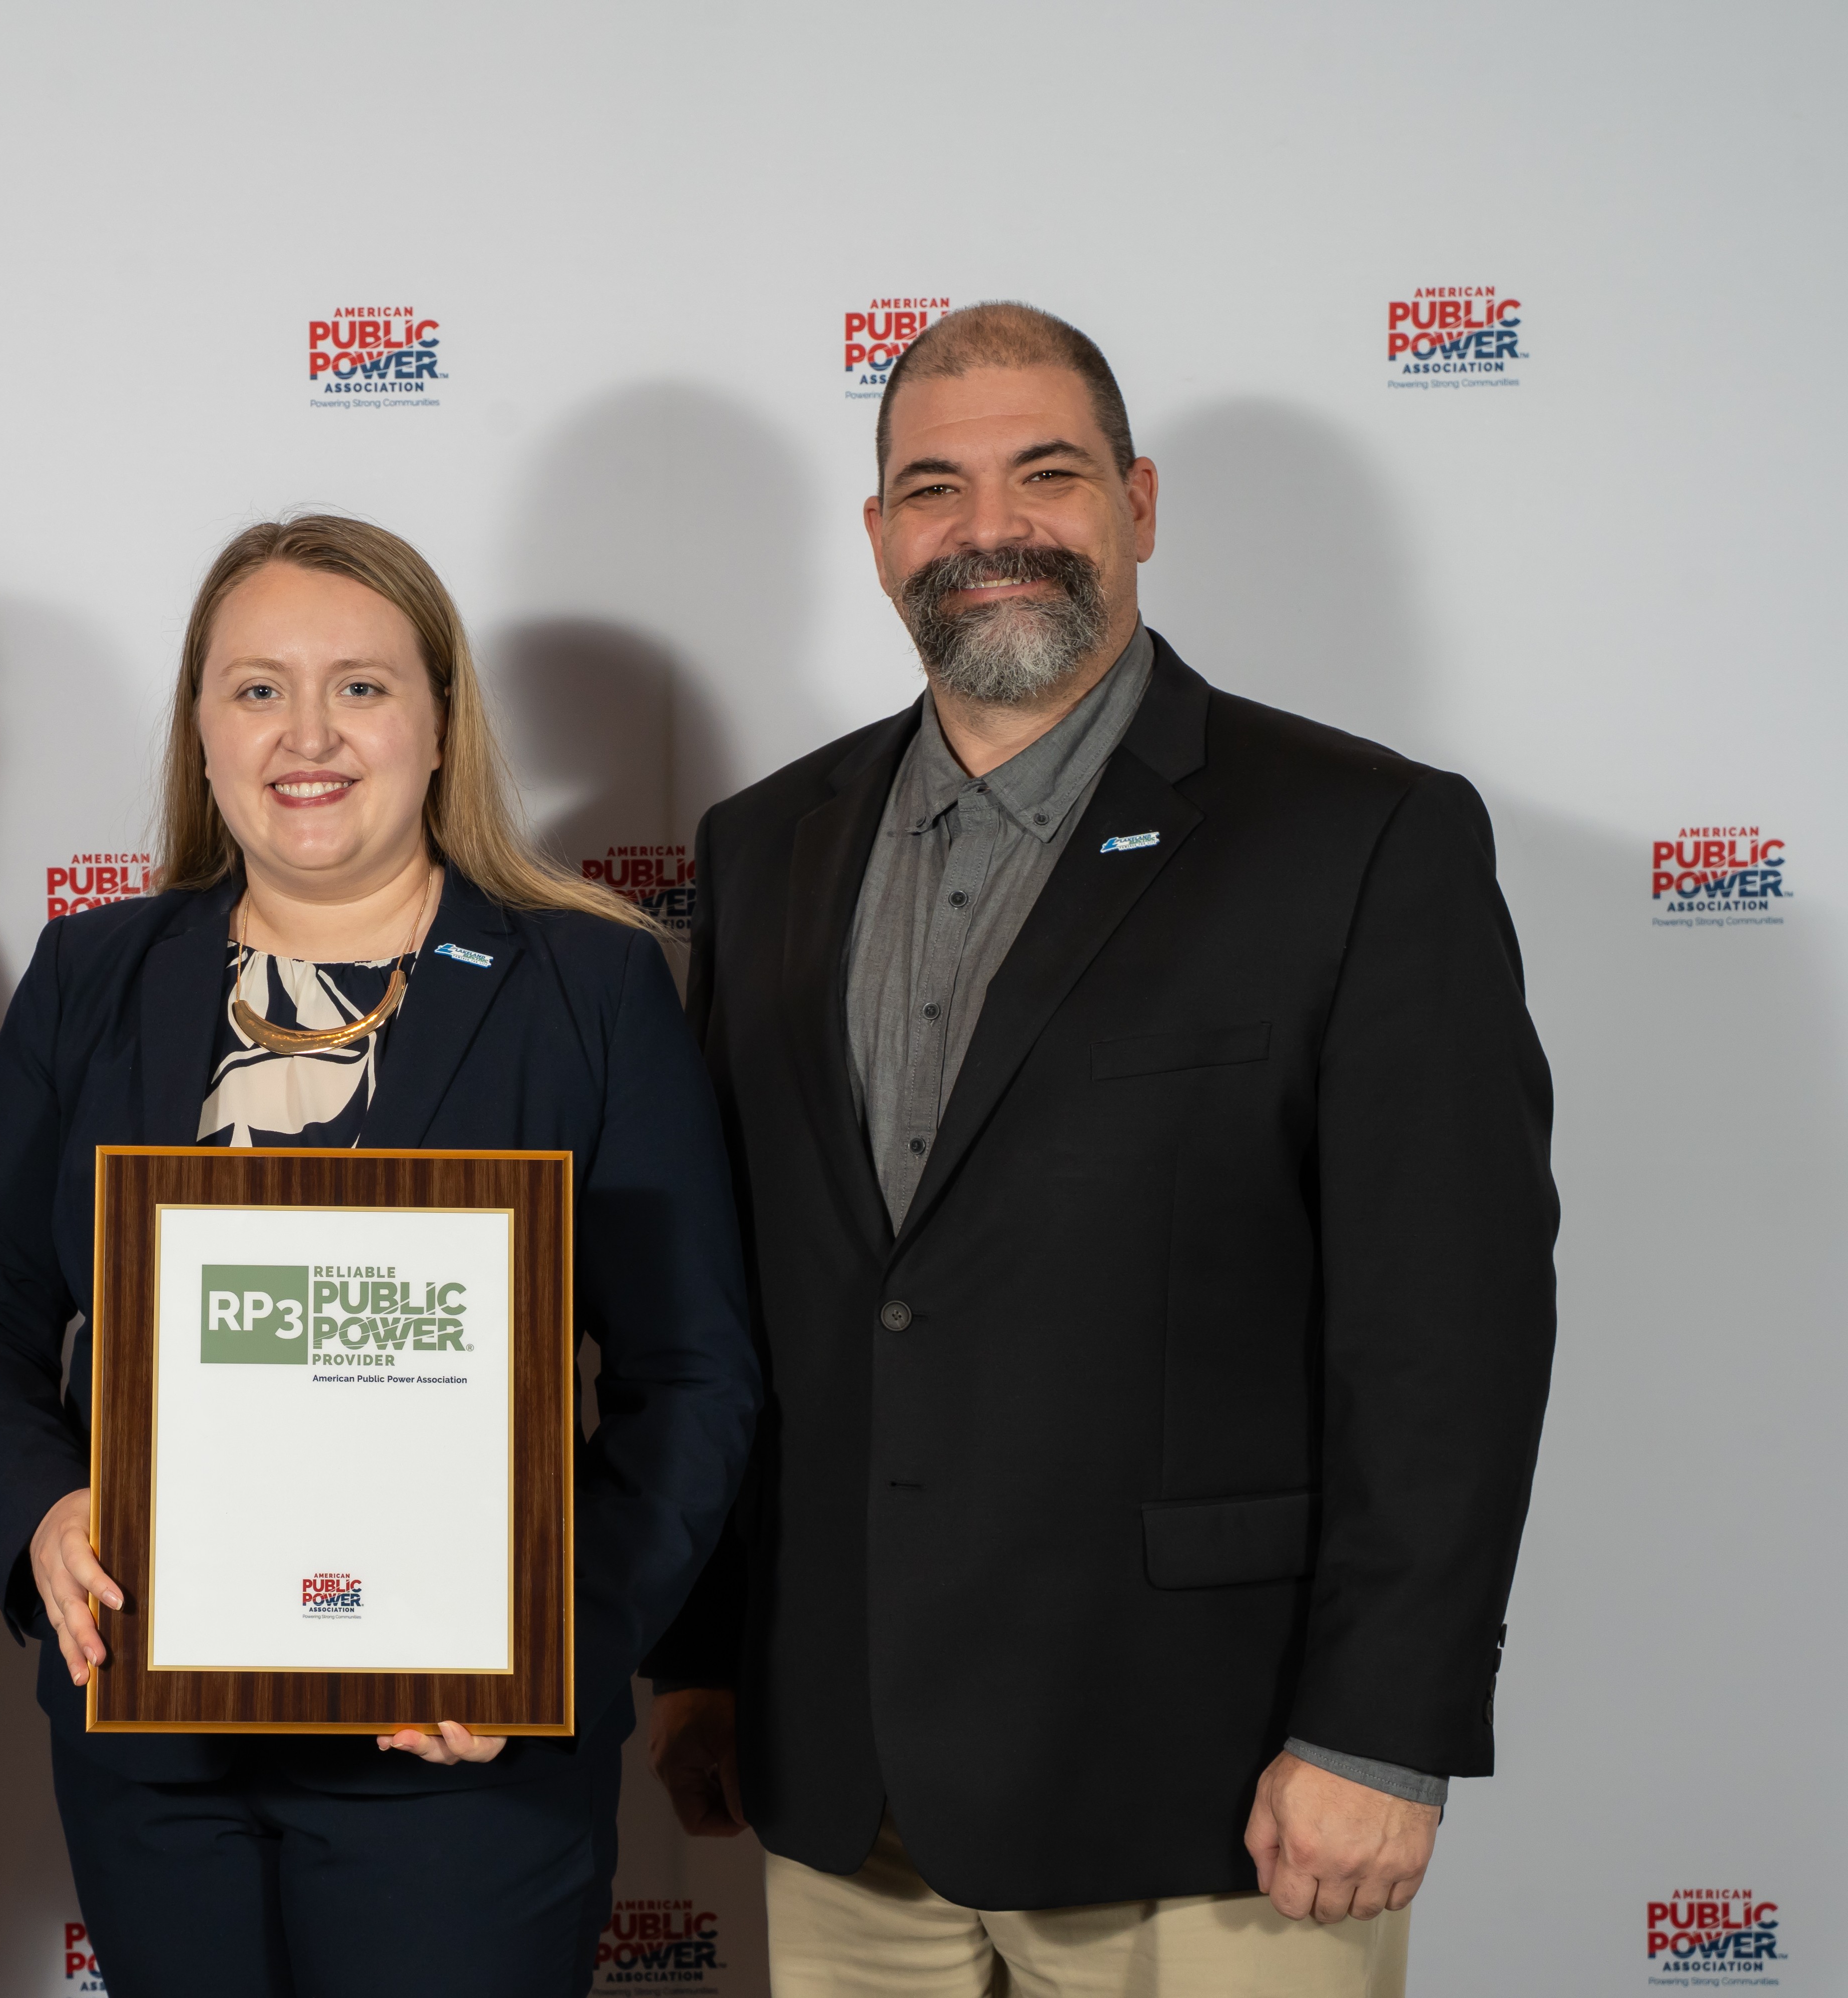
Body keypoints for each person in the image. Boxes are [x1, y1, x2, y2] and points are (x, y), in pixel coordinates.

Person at [644, 304, 1559, 1998]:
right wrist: (702, 1658)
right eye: (937, 488)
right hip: (844, 1793)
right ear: (879, 537)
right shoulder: (765, 843)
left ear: (1138, 503)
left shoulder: (1362, 838)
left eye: (1047, 474)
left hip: (1215, 1794)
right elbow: (733, 1295)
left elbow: (1450, 1331)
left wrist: (1383, 1731)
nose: (989, 528)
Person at [0, 516, 759, 1998]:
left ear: (440, 724)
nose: (308, 735)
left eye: (361, 686)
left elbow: (693, 1376)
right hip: (157, 1754)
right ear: (202, 728)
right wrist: (41, 1514)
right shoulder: (93, 976)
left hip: (463, 1768)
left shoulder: (591, 986)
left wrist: (549, 1641)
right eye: (258, 689)